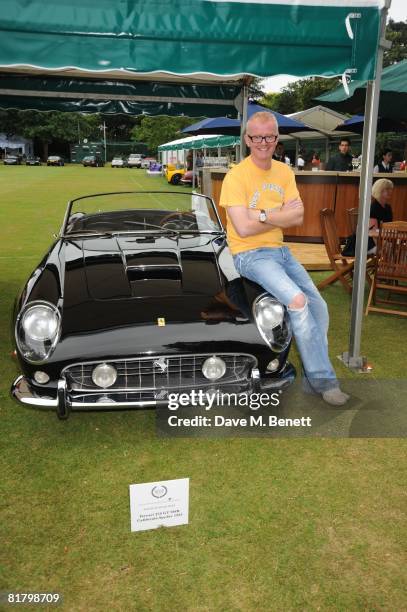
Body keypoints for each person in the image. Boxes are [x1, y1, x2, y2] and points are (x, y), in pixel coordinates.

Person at [219, 111, 349, 406]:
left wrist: (262, 214)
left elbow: (299, 216)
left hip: (280, 251)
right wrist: (279, 217)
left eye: (269, 136)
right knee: (297, 302)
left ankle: (313, 365)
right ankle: (323, 381)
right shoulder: (235, 176)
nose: (263, 142)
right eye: (256, 137)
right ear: (247, 140)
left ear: (276, 139)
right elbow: (243, 227)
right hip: (249, 255)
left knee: (319, 307)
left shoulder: (284, 172)